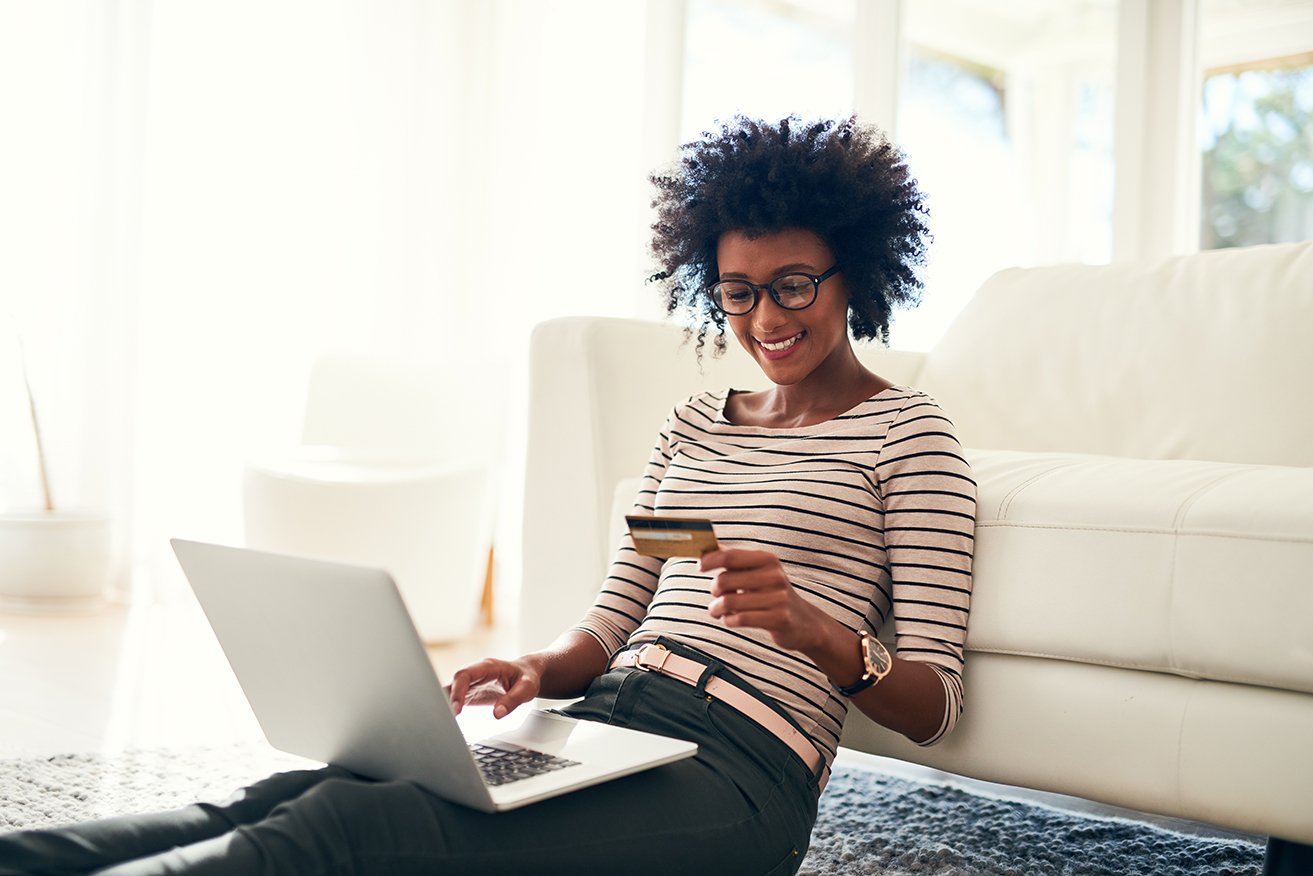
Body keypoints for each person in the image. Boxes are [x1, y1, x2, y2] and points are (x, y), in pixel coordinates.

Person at [0, 115, 975, 876]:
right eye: (735, 292)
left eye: (794, 285)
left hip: (740, 776)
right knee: (292, 797)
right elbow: (610, 622)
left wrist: (813, 630)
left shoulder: (908, 436)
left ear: (856, 271)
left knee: (344, 834)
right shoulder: (693, 423)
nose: (763, 317)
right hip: (600, 722)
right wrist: (535, 671)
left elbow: (930, 704)